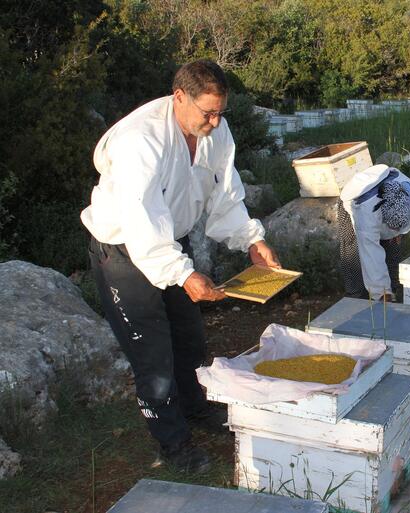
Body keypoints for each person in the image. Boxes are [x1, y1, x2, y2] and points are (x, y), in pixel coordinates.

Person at [81, 59, 280, 473]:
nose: (214, 121)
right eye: (207, 112)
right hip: (121, 248)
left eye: (220, 111)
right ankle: (172, 443)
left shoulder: (216, 131)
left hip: (170, 239)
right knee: (152, 354)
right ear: (179, 98)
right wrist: (184, 273)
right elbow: (142, 222)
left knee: (189, 338)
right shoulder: (141, 140)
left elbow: (225, 194)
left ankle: (196, 409)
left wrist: (252, 240)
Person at [337, 164, 410, 302]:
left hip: (383, 199)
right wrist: (382, 295)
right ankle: (357, 298)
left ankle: (393, 288)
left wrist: (399, 232)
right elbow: (371, 255)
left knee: (393, 248)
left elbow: (406, 212)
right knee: (355, 253)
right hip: (354, 202)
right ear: (381, 215)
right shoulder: (364, 215)